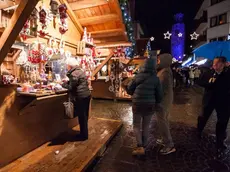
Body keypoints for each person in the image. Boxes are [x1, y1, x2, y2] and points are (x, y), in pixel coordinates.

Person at [125, 58, 163, 156]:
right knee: (146, 126)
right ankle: (144, 146)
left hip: (137, 103)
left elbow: (129, 90)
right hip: (150, 105)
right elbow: (159, 95)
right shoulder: (156, 78)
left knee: (136, 125)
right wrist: (156, 102)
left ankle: (140, 146)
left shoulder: (138, 77)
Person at [197, 56, 230, 154]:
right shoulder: (208, 73)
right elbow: (199, 82)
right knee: (204, 116)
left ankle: (220, 141)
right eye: (214, 63)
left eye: (218, 63)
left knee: (222, 121)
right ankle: (199, 129)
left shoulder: (227, 74)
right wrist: (209, 83)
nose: (214, 65)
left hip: (223, 101)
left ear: (223, 64)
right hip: (209, 100)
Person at [63, 58, 91, 140]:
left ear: (69, 66)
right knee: (85, 116)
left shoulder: (73, 73)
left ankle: (83, 136)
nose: (66, 67)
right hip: (86, 95)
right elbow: (78, 82)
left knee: (82, 116)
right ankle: (84, 133)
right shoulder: (80, 71)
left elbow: (71, 87)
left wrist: (63, 84)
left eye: (67, 65)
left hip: (81, 97)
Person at [156, 54, 176, 155]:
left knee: (162, 121)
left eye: (159, 60)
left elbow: (160, 88)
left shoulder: (165, 72)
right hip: (164, 100)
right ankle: (165, 139)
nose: (158, 62)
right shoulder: (164, 70)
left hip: (162, 101)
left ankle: (169, 144)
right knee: (164, 120)